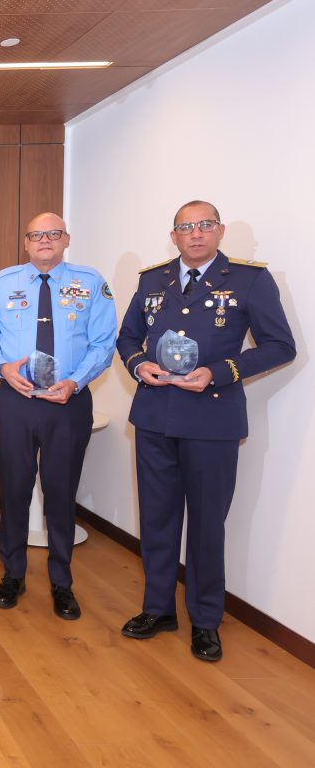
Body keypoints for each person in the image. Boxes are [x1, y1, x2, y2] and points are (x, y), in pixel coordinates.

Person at [117, 200, 295, 662]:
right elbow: (128, 337)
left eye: (205, 225)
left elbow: (281, 346)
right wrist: (138, 365)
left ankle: (205, 620)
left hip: (212, 421)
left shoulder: (249, 279)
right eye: (186, 227)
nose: (195, 234)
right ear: (174, 236)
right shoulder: (152, 280)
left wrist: (218, 372)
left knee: (207, 525)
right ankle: (158, 609)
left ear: (220, 231)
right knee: (156, 520)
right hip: (155, 417)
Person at [0, 212, 116, 620]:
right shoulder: (2, 282)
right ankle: (12, 575)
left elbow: (103, 343)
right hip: (16, 401)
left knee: (60, 493)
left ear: (66, 239)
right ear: (26, 242)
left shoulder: (91, 283)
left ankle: (61, 582)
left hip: (68, 403)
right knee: (14, 490)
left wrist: (75, 381)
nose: (44, 241)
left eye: (53, 234)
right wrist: (3, 368)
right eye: (36, 235)